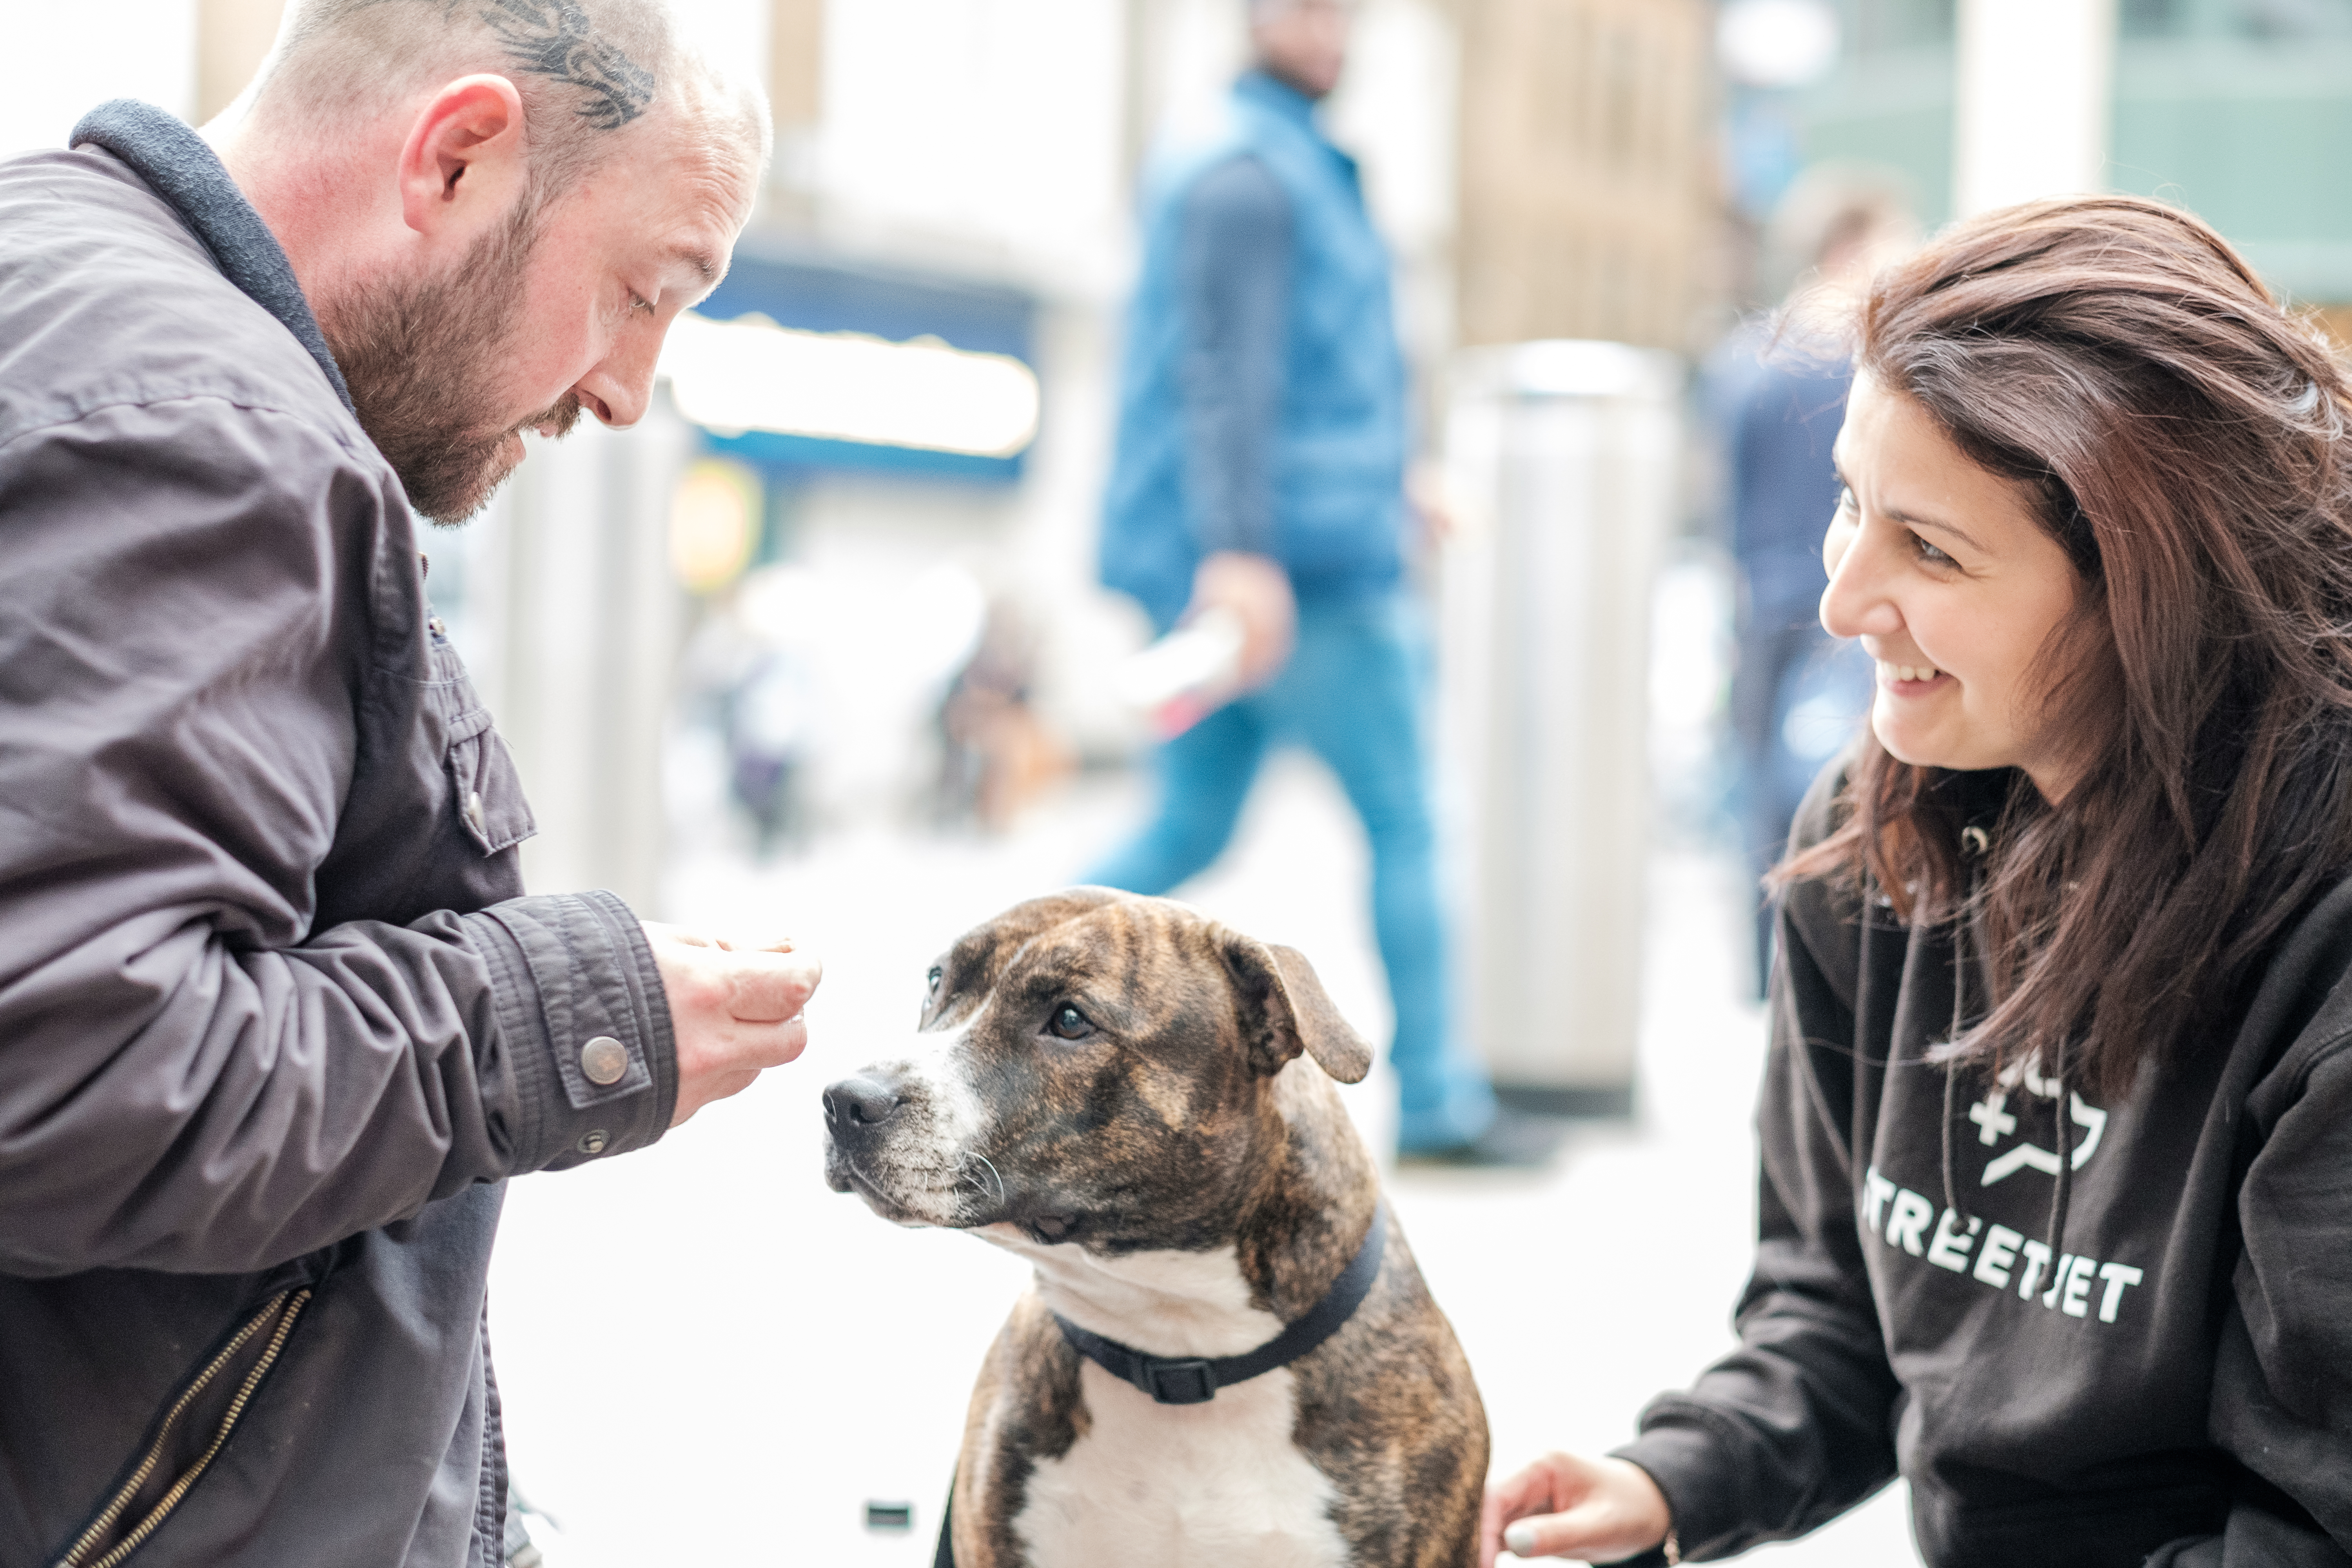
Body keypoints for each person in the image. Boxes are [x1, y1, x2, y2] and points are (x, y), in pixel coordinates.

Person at [0, 5, 817, 1565]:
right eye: (643, 293)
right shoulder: (208, 432)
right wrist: (570, 1014)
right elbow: (71, 1075)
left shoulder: (52, 271)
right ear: (454, 157)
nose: (632, 388)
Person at [1483, 196, 2352, 1566]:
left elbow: (2312, 1530)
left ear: (2152, 589)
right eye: (1849, 502)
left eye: (1931, 550)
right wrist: (1671, 1479)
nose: (1840, 602)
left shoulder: (2325, 949)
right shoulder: (1873, 839)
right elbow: (1837, 1313)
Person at [1089, 0, 1547, 1165]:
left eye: (1343, 10)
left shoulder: (1272, 163)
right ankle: (1443, 1099)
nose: (1330, 29)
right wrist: (1243, 554)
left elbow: (1304, 379)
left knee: (1190, 819)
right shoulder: (1251, 177)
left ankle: (985, 975)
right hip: (1305, 573)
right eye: (1302, 8)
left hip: (1280, 548)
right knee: (1405, 821)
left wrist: (1396, 476)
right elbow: (1224, 380)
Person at [1711, 165, 1911, 993]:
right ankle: (1836, 975)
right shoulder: (1873, 361)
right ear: (1851, 245)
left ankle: (1770, 971)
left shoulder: (1745, 359)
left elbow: (1722, 495)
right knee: (1860, 788)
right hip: (1854, 603)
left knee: (1762, 794)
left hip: (1763, 603)